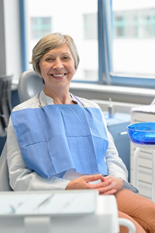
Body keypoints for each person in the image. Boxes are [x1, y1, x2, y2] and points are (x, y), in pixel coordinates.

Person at [7, 32, 155, 233]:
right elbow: (18, 177)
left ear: (75, 65)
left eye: (65, 58)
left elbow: (111, 156)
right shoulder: (22, 114)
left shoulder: (92, 109)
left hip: (104, 188)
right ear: (38, 67)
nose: (58, 65)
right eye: (49, 59)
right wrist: (67, 187)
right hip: (61, 196)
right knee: (130, 228)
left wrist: (117, 178)